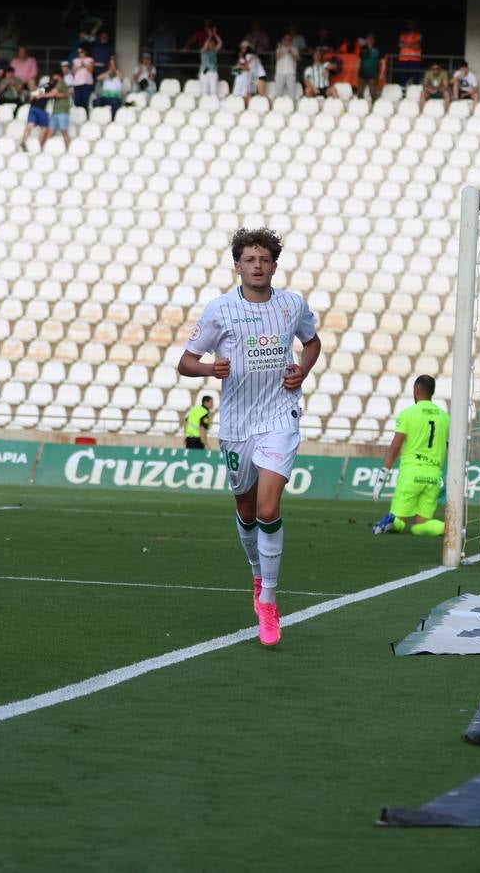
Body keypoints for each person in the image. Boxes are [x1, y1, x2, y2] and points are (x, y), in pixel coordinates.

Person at [176, 227, 321, 647]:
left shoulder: (292, 304)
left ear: (274, 264)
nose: (257, 266)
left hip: (280, 416)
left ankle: (270, 603)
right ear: (237, 265)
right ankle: (258, 577)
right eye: (249, 260)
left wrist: (303, 370)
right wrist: (209, 370)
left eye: (264, 259)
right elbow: (186, 362)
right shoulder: (220, 310)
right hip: (237, 424)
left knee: (268, 506)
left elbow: (311, 343)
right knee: (245, 510)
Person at [371, 375, 450, 538]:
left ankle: (391, 522)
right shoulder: (445, 417)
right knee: (421, 525)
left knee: (399, 521)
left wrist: (382, 476)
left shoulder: (408, 414)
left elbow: (395, 446)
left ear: (416, 390)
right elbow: (448, 446)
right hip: (433, 476)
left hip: (411, 473)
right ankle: (450, 528)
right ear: (432, 392)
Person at [40, 73, 72, 149]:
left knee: (64, 132)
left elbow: (53, 94)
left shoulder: (61, 83)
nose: (53, 79)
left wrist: (41, 95)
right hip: (55, 112)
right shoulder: (58, 85)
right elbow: (56, 94)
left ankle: (71, 149)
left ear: (58, 76)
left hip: (62, 111)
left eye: (54, 76)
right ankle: (45, 150)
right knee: (50, 132)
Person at [198, 24, 222, 102]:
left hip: (213, 72)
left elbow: (220, 43)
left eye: (212, 43)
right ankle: (204, 105)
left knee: (213, 92)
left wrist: (215, 35)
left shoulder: (214, 51)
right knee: (204, 91)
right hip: (204, 72)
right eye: (210, 43)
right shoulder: (203, 51)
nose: (211, 44)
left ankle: (213, 104)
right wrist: (209, 36)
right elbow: (205, 46)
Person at [395, 20, 422, 87]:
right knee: (402, 76)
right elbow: (399, 45)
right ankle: (402, 89)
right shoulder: (402, 35)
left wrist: (405, 44)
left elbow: (417, 45)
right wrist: (412, 45)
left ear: (414, 25)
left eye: (411, 24)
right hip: (403, 58)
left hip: (414, 59)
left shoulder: (418, 35)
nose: (410, 25)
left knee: (415, 77)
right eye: (409, 24)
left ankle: (415, 89)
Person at [357, 35, 381, 100]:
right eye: (368, 39)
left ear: (374, 40)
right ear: (366, 40)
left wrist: (382, 73)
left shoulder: (378, 49)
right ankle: (359, 106)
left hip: (372, 74)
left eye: (371, 39)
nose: (370, 40)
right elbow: (359, 60)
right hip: (362, 74)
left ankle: (375, 106)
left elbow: (383, 62)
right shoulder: (363, 48)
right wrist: (357, 70)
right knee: (359, 92)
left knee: (373, 92)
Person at [71, 45, 95, 110]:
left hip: (86, 83)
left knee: (85, 101)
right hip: (77, 83)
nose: (80, 53)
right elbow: (73, 71)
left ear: (85, 52)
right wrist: (80, 66)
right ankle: (78, 116)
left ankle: (85, 116)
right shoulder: (75, 60)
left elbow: (91, 70)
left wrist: (84, 65)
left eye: (81, 52)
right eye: (78, 52)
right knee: (77, 101)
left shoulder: (90, 59)